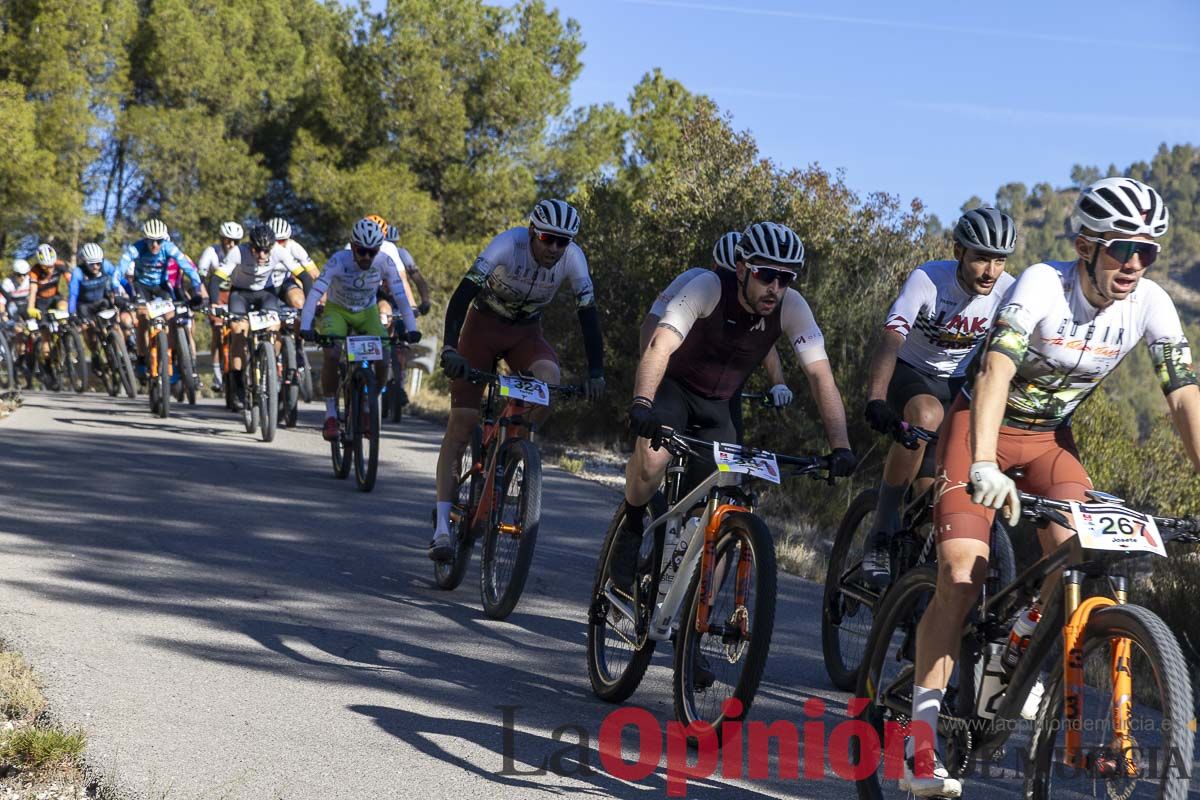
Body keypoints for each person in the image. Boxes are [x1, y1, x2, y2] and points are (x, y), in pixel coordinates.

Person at [904, 177, 1200, 798]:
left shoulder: (1149, 303)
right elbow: (996, 368)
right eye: (1123, 249)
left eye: (1148, 251)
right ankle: (920, 741)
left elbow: (1183, 400)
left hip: (1048, 442)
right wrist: (981, 463)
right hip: (979, 423)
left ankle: (1016, 653)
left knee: (1081, 550)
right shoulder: (1044, 282)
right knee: (961, 576)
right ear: (1088, 244)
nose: (1136, 264)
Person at [610, 221, 858, 594]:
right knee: (653, 460)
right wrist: (642, 403)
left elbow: (821, 376)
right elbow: (659, 343)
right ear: (742, 269)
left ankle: (691, 620)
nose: (775, 287)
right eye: (766, 274)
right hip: (675, 391)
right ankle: (631, 523)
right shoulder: (709, 287)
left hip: (720, 408)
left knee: (715, 510)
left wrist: (841, 446)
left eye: (786, 278)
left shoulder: (791, 306)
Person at [431, 199, 605, 561]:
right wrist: (450, 349)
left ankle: (513, 452)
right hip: (481, 329)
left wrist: (595, 372)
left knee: (549, 379)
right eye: (547, 238)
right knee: (461, 424)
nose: (555, 248)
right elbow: (462, 296)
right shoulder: (506, 245)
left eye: (563, 241)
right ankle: (442, 529)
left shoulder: (573, 259)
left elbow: (588, 316)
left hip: (525, 334)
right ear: (531, 232)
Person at [860, 207, 1017, 588]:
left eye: (999, 261)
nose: (990, 271)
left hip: (956, 384)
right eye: (981, 258)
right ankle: (881, 528)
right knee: (926, 416)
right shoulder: (929, 280)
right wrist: (876, 399)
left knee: (936, 494)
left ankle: (915, 584)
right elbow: (891, 340)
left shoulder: (1008, 291)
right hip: (909, 372)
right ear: (959, 251)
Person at [638, 230, 791, 442]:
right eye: (723, 274)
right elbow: (651, 323)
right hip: (678, 375)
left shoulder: (755, 297)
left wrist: (778, 383)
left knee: (731, 454)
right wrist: (650, 374)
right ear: (713, 267)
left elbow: (765, 345)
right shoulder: (694, 281)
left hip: (720, 389)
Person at [299, 217, 418, 440]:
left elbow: (400, 296)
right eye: (361, 251)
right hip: (338, 310)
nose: (366, 257)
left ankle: (368, 405)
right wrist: (306, 326)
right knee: (332, 354)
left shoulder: (385, 262)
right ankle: (331, 414)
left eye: (371, 252)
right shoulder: (338, 260)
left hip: (367, 312)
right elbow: (315, 294)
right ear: (353, 246)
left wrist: (411, 328)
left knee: (385, 358)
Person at [208, 223, 302, 401]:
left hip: (266, 293)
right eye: (257, 250)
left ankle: (271, 365)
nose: (262, 255)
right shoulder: (238, 252)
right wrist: (214, 303)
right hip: (240, 294)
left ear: (272, 248)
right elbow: (216, 278)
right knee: (238, 331)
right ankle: (238, 381)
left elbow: (303, 274)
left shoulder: (279, 252)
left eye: (266, 251)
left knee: (275, 327)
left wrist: (309, 303)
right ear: (250, 246)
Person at [117, 219, 204, 372]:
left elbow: (188, 268)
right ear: (145, 239)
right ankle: (142, 358)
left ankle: (169, 357)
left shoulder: (169, 248)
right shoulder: (136, 248)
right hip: (141, 286)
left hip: (161, 287)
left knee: (171, 317)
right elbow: (119, 271)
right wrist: (114, 289)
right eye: (151, 241)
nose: (155, 245)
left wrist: (197, 290)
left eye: (159, 241)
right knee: (143, 317)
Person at [197, 221, 244, 392]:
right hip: (216, 294)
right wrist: (204, 296)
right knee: (217, 331)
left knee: (241, 330)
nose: (231, 244)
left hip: (236, 294)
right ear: (222, 239)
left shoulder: (242, 253)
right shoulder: (212, 252)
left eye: (235, 241)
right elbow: (200, 277)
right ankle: (217, 375)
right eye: (227, 240)